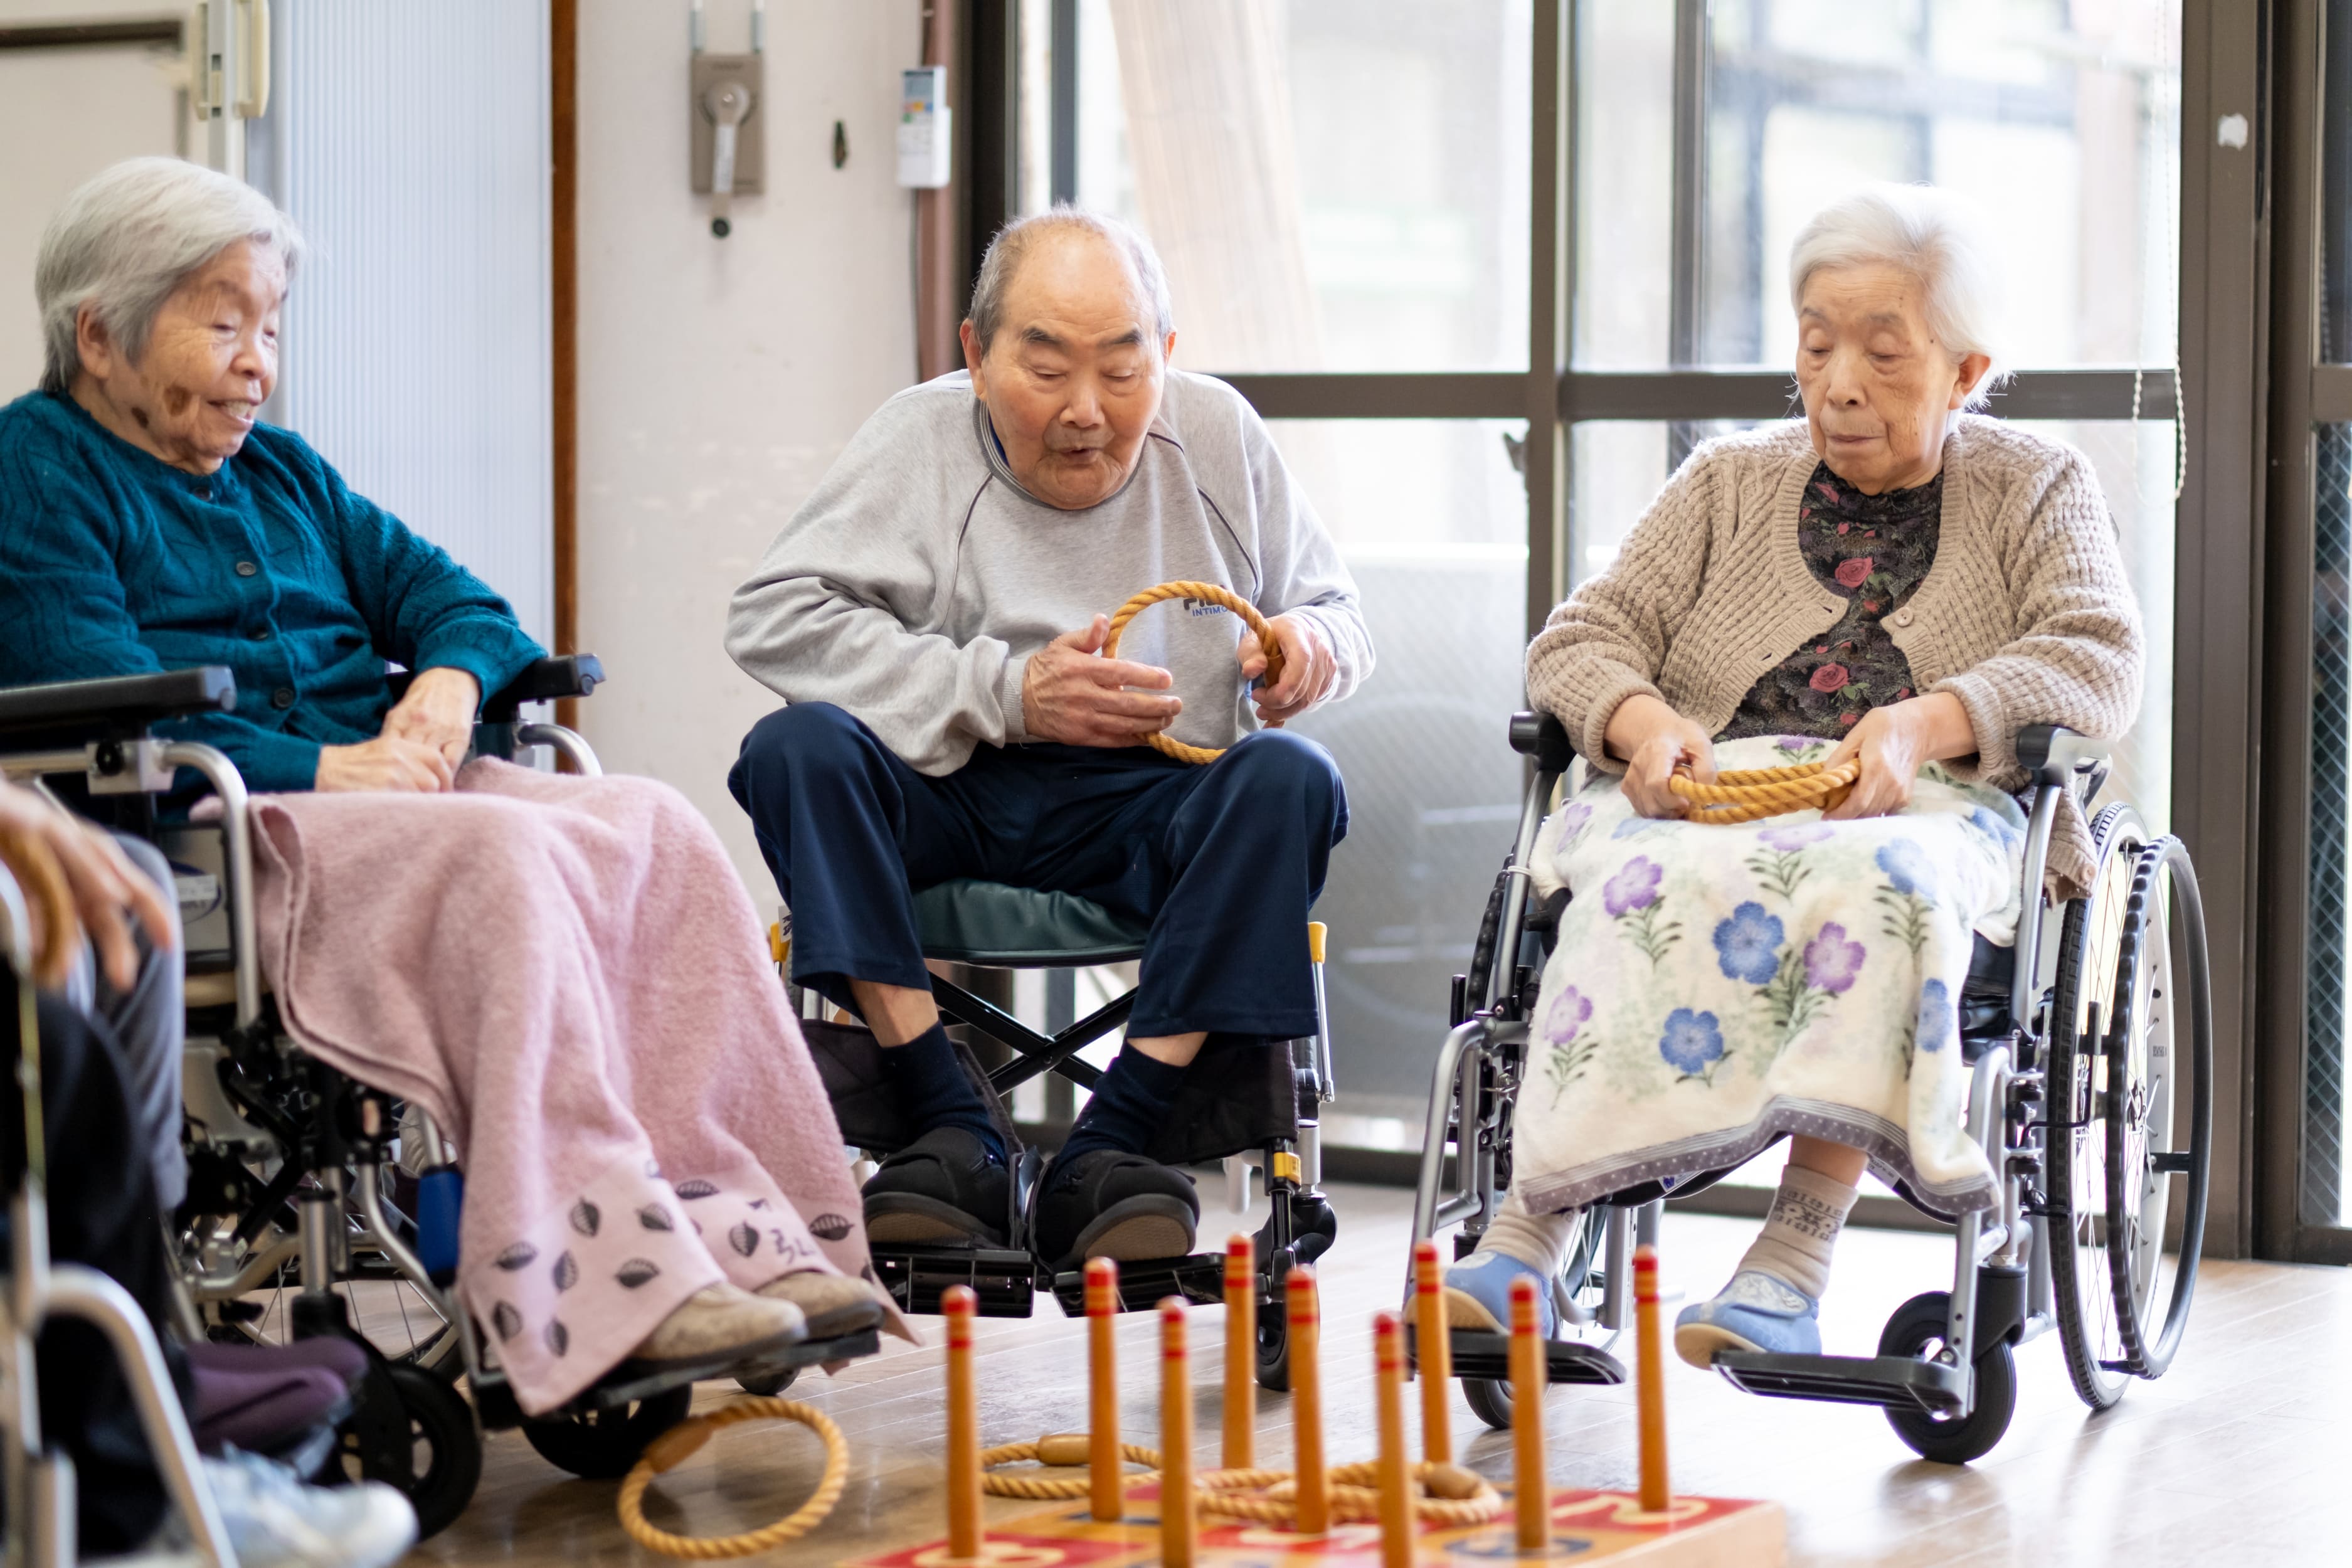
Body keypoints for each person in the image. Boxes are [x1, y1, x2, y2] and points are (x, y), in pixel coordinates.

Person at [0, 157, 887, 1417]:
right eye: (223, 320)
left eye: (271, 326)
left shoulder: (284, 471)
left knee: (654, 825)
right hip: (215, 828)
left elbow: (459, 604)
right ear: (99, 333)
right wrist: (324, 764)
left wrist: (446, 691)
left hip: (391, 799)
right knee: (501, 856)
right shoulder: (38, 468)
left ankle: (744, 1234)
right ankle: (601, 1280)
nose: (260, 360)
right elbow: (96, 692)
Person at [1440, 183, 2142, 1365]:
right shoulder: (1726, 483)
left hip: (1927, 807)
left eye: (1882, 351)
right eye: (1817, 346)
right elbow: (1579, 637)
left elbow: (2098, 658)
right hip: (1707, 798)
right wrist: (1641, 719)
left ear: (1967, 373)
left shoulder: (2037, 486)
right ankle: (1528, 1238)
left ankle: (1793, 1258)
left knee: (1881, 885)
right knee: (1627, 878)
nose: (1839, 383)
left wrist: (1929, 722)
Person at [725, 208, 1372, 1268]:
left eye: (1123, 373)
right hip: (953, 783)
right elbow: (773, 617)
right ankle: (948, 1122)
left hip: (1150, 807)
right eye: (1048, 370)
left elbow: (1340, 612)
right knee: (794, 753)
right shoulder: (918, 438)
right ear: (976, 357)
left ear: (1165, 356)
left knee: (1292, 777)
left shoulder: (1214, 434)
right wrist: (1010, 691)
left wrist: (1309, 647)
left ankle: (1117, 1142)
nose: (1086, 413)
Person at [0, 779, 416, 1566]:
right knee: (50, 1033)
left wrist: (452, 679)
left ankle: (136, 1355)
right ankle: (123, 1471)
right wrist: (327, 756)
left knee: (126, 890)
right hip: (257, 781)